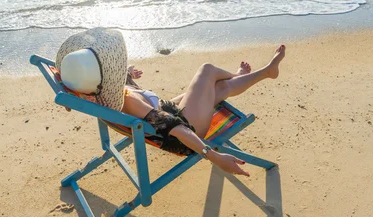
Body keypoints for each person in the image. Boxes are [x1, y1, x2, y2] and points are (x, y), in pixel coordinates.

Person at [121, 45, 286, 177]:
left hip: (170, 111)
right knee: (207, 70)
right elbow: (173, 126)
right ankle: (238, 75)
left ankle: (261, 73)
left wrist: (129, 72)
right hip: (185, 131)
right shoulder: (128, 98)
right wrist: (214, 157)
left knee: (219, 87)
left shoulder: (109, 93)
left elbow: (123, 80)